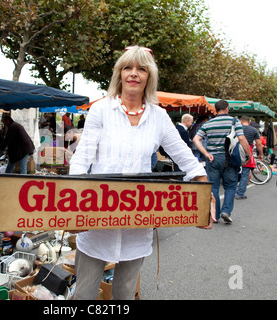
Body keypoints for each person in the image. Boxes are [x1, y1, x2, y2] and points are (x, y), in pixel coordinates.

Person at [68, 46, 213, 300]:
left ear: (149, 76)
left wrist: (205, 191)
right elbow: (82, 158)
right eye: (128, 68)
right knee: (85, 294)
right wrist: (73, 202)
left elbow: (184, 156)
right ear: (119, 74)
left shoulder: (159, 117)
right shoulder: (101, 110)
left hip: (138, 220)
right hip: (97, 216)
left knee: (125, 294)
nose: (133, 74)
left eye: (141, 69)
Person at [193, 99, 251, 224]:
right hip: (229, 158)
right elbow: (241, 138)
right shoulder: (234, 121)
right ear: (227, 108)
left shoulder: (208, 123)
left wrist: (206, 153)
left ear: (216, 109)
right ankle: (226, 211)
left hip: (212, 158)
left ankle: (215, 214)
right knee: (230, 186)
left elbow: (196, 139)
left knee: (213, 186)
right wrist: (248, 154)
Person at [235, 116, 264, 199]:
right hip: (247, 151)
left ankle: (232, 191)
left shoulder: (235, 128)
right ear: (249, 122)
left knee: (233, 172)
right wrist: (260, 154)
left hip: (235, 151)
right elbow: (259, 144)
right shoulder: (254, 130)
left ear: (240, 121)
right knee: (245, 173)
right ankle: (240, 193)